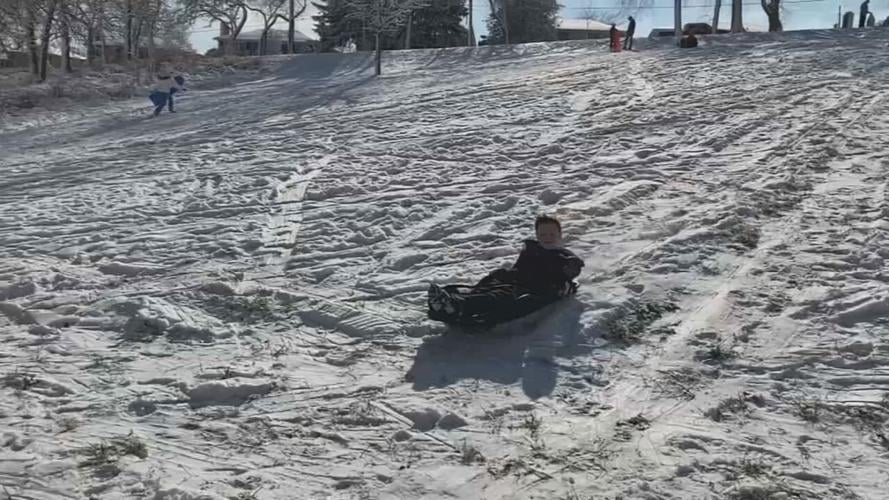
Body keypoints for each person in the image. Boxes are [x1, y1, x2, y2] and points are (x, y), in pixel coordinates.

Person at [427, 215, 584, 328]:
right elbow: (519, 267)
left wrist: (569, 271)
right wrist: (505, 274)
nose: (547, 237)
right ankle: (454, 299)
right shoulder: (532, 248)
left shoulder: (564, 256)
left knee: (499, 295)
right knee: (494, 281)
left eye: (551, 234)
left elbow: (569, 274)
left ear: (559, 235)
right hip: (514, 279)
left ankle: (458, 305)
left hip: (530, 289)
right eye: (543, 234)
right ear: (537, 235)